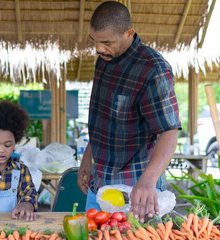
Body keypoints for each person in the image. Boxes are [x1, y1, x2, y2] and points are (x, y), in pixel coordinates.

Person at [77, 1, 181, 223]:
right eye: (94, 41)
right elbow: (103, 118)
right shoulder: (104, 59)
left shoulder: (154, 70)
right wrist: (87, 157)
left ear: (129, 33)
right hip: (99, 182)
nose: (99, 49)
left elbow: (169, 131)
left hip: (135, 189)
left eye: (106, 42)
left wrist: (149, 180)